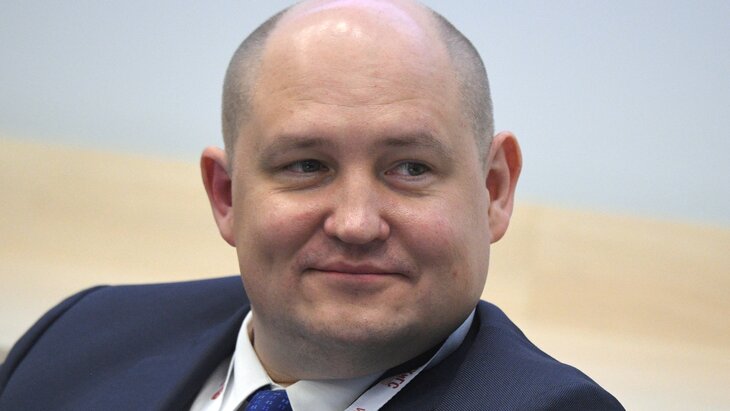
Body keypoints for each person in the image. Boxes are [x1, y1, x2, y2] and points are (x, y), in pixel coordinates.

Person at [0, 1, 623, 410]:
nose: (356, 223)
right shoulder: (75, 339)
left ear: (493, 191)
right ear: (226, 195)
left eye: (410, 168)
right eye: (306, 166)